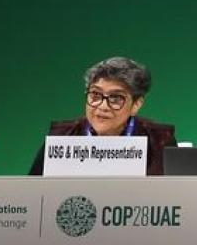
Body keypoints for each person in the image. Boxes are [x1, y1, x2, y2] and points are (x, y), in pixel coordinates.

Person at [30, 56, 178, 176]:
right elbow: (33, 195)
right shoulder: (61, 137)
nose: (102, 106)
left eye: (116, 98)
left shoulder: (160, 140)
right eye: (95, 95)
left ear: (136, 105)